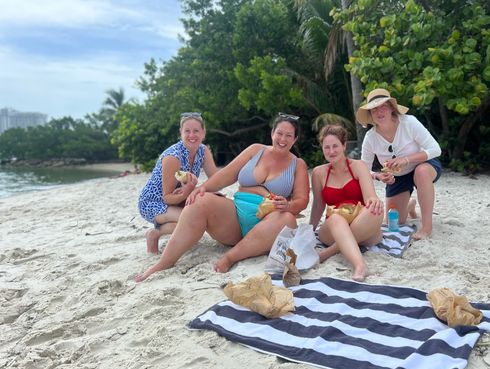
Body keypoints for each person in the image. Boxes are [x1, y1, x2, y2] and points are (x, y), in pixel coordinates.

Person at [134, 113, 310, 282]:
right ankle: (165, 261)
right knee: (201, 199)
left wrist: (288, 205)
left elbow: (302, 201)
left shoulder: (298, 164)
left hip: (270, 221)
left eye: (289, 135)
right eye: (279, 133)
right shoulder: (256, 150)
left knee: (288, 219)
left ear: (294, 139)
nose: (283, 139)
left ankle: (230, 257)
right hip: (235, 216)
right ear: (272, 133)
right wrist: (202, 188)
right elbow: (227, 174)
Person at [357, 88, 442, 240]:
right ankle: (410, 204)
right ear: (370, 114)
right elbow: (363, 170)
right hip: (398, 176)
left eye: (383, 106)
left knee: (421, 172)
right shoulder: (370, 138)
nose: (379, 112)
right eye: (374, 109)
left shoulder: (409, 122)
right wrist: (378, 176)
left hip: (423, 165)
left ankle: (427, 227)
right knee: (393, 221)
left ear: (391, 108)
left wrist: (406, 159)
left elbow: (435, 149)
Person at [309, 125, 384, 281]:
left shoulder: (359, 166)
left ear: (344, 145)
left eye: (335, 146)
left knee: (375, 208)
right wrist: (309, 230)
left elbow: (370, 196)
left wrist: (374, 200)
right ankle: (360, 266)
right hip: (334, 228)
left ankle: (327, 253)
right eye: (326, 147)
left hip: (363, 224)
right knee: (336, 218)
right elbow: (318, 205)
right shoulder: (318, 173)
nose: (331, 151)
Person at [138, 112, 218, 253]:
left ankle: (164, 228)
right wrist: (189, 191)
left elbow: (216, 179)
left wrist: (201, 190)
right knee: (193, 221)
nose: (191, 135)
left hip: (178, 197)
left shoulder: (203, 150)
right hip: (153, 202)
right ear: (180, 133)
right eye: (187, 131)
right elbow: (167, 197)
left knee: (203, 212)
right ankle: (154, 234)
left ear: (203, 133)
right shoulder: (173, 157)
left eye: (196, 131)